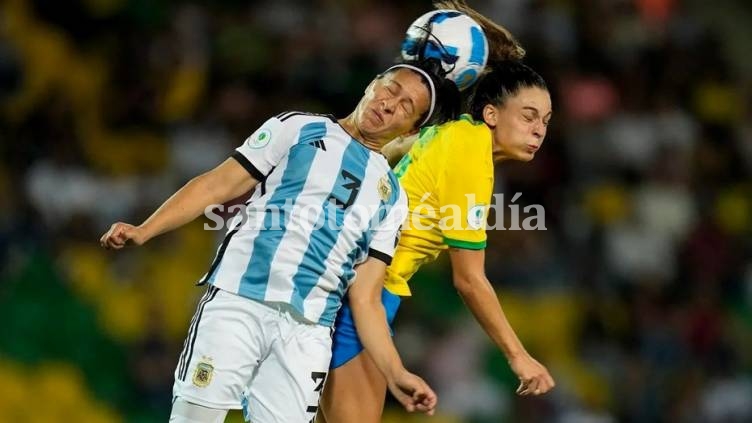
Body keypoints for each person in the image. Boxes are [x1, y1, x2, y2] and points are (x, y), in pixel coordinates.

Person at [100, 61, 457, 423]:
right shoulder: (299, 127)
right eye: (391, 89)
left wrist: (396, 373)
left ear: (410, 129)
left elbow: (366, 298)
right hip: (238, 302)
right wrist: (145, 229)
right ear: (372, 85)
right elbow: (216, 185)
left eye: (406, 106)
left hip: (308, 334)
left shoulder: (392, 197)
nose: (389, 103)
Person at [318, 44, 556, 423]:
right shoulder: (470, 159)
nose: (539, 130)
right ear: (491, 113)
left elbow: (385, 151)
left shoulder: (450, 133)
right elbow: (469, 280)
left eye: (545, 120)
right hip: (364, 296)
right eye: (528, 117)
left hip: (344, 280)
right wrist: (518, 356)